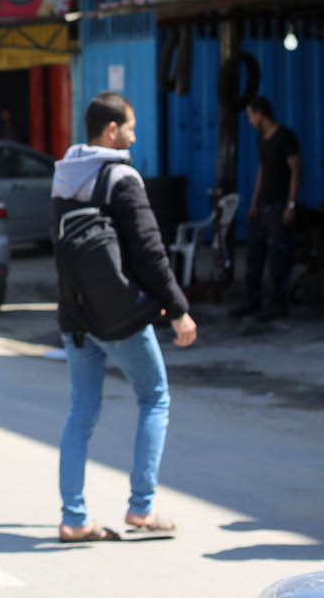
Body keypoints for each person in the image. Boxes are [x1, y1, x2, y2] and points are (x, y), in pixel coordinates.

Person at [50, 91, 197, 543]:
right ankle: (142, 508)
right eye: (130, 128)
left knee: (81, 414)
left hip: (75, 315)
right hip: (119, 317)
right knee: (155, 397)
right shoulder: (122, 177)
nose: (134, 136)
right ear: (111, 130)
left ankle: (74, 518)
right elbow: (150, 252)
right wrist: (178, 309)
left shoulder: (65, 172)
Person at [233, 95, 302, 321]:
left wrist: (291, 205)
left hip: (280, 205)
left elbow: (296, 170)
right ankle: (252, 301)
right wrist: (254, 203)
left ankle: (276, 305)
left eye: (251, 115)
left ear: (260, 113)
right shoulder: (263, 138)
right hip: (263, 206)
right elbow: (262, 171)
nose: (250, 120)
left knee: (278, 257)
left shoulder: (285, 136)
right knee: (255, 256)